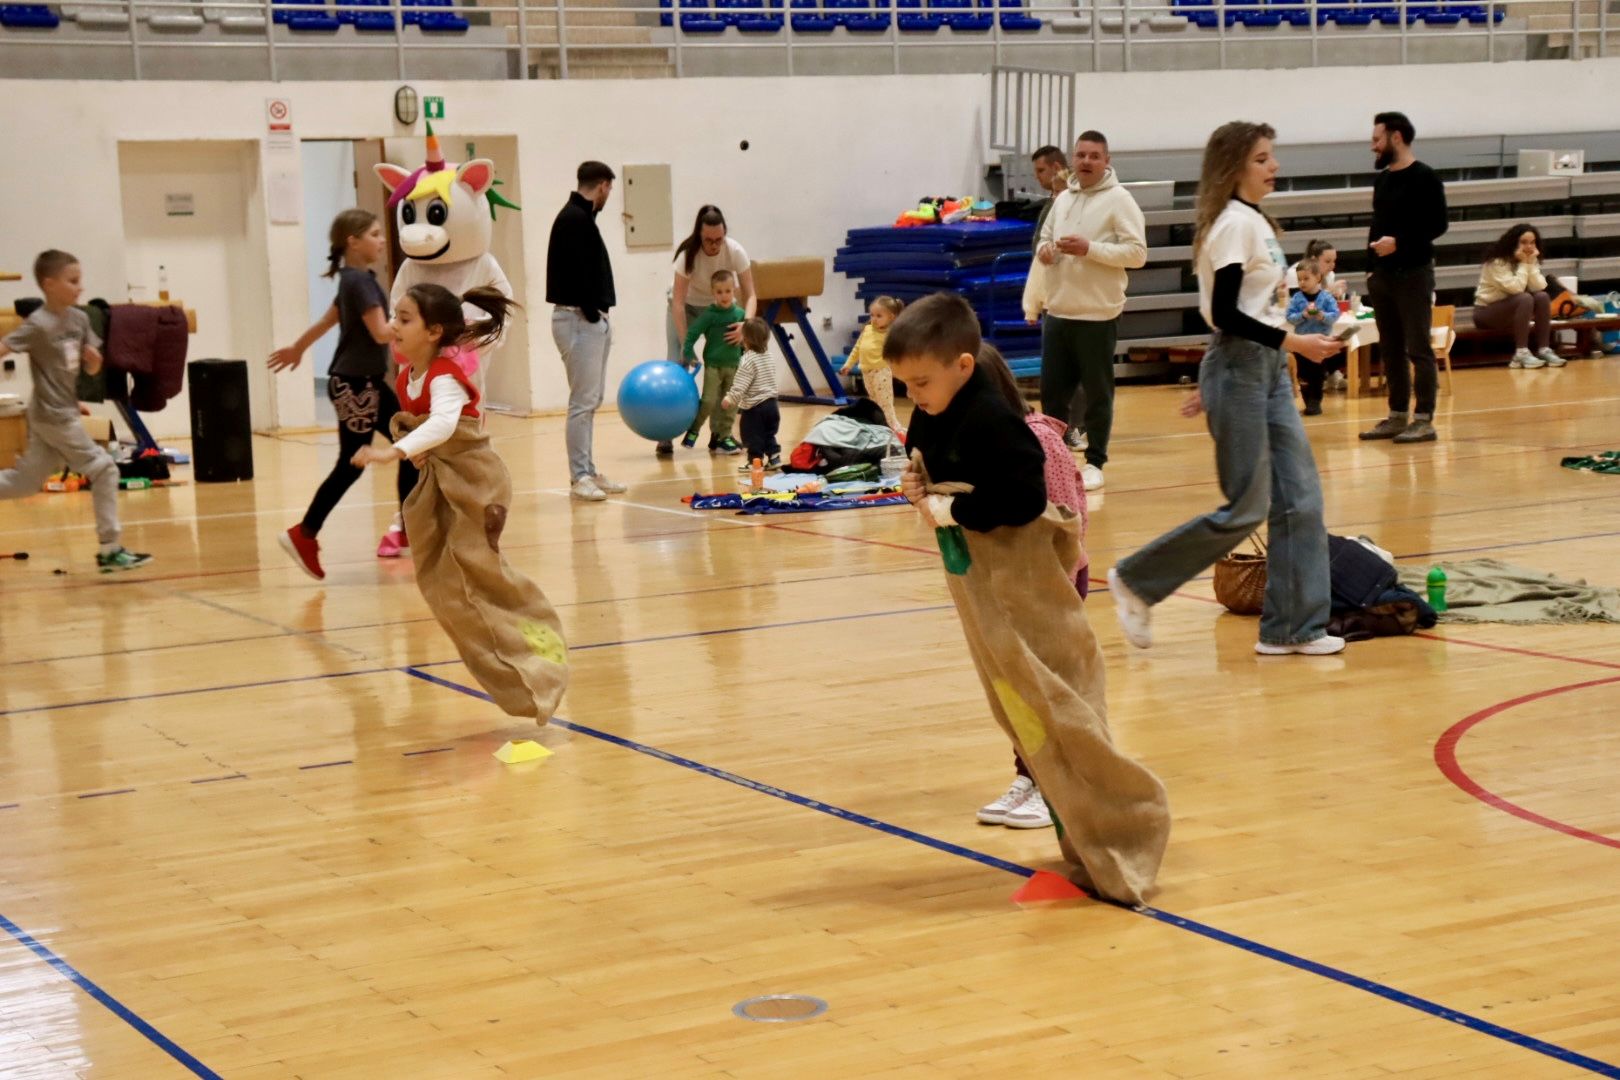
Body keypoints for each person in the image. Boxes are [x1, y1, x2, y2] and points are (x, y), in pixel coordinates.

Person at [891, 291, 1169, 906]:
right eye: (906, 384)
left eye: (921, 382)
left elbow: (1024, 502)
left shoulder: (998, 423)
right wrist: (918, 484)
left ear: (963, 367)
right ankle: (1081, 837)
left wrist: (952, 508)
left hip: (1026, 586)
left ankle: (1126, 826)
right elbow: (930, 462)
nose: (914, 395)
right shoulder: (933, 410)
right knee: (1018, 706)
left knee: (1059, 700)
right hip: (978, 584)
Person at [1107, 121, 1345, 658]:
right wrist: (1292, 345)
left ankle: (1293, 629)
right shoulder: (1233, 224)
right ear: (1234, 167)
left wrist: (1264, 358)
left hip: (1262, 371)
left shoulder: (1255, 221)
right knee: (1247, 507)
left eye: (1271, 156)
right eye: (1261, 159)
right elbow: (1227, 315)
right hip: (1242, 365)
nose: (1273, 166)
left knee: (1302, 500)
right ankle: (1137, 580)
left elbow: (1250, 311)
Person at [351, 283, 568, 722]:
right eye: (394, 316)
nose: (393, 325)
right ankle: (512, 674)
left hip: (478, 486)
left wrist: (395, 452)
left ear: (433, 332)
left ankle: (540, 650)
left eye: (404, 319)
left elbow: (445, 424)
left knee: (482, 581)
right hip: (443, 485)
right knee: (443, 585)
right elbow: (426, 429)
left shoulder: (445, 376)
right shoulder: (406, 376)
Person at [971, 343, 1091, 832]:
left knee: (1051, 686)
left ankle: (1059, 786)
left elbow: (1065, 519)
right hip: (1010, 582)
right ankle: (1031, 773)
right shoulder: (978, 442)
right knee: (1017, 688)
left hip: (1053, 580)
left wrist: (1058, 589)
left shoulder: (1039, 440)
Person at [271, 209, 420, 579]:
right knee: (356, 462)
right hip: (357, 386)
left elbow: (327, 321)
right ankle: (305, 533)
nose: (382, 240)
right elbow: (381, 333)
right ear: (353, 241)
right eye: (374, 234)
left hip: (360, 382)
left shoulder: (353, 279)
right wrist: (421, 324)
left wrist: (297, 348)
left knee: (410, 444)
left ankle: (408, 529)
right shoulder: (359, 283)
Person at [0, 250, 150, 572]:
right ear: (49, 285)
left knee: (25, 483)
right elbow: (4, 347)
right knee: (105, 469)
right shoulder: (38, 324)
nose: (80, 287)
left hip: (59, 411)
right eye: (72, 281)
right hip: (53, 415)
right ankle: (110, 550)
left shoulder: (80, 319)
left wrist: (94, 363)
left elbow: (89, 368)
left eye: (80, 280)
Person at [1023, 130, 1147, 492]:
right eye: (1081, 155)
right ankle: (1056, 461)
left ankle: (1095, 462)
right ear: (1072, 159)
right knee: (1052, 394)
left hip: (1097, 314)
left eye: (1094, 156)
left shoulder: (1120, 200)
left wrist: (1089, 248)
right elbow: (1045, 239)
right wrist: (1046, 251)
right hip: (1058, 310)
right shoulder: (1063, 199)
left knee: (1097, 393)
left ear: (1107, 161)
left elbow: (1137, 254)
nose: (1087, 161)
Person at [1361, 111, 1449, 445]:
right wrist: (1370, 268)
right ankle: (1397, 415)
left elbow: (1438, 224)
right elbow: (1377, 224)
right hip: (1382, 276)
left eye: (1377, 139)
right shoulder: (1382, 180)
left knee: (1418, 347)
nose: (1373, 146)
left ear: (1395, 137)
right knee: (1390, 348)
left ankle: (1424, 419)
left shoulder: (1425, 177)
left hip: (1414, 273)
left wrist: (1399, 242)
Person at [547, 160, 627, 502]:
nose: (609, 194)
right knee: (582, 402)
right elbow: (577, 275)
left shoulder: (581, 218)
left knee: (590, 400)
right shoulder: (574, 219)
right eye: (609, 188)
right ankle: (579, 475)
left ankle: (589, 470)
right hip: (578, 320)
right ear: (603, 186)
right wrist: (593, 314)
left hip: (588, 320)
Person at [660, 206, 759, 456]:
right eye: (708, 240)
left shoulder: (735, 251)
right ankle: (665, 435)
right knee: (677, 363)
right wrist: (686, 344)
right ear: (699, 235)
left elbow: (751, 295)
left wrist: (745, 325)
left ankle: (720, 435)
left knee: (727, 369)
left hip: (721, 308)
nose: (714, 245)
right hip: (687, 307)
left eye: (719, 239)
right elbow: (678, 303)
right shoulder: (687, 255)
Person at [1473, 223, 1564, 370]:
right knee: (1525, 298)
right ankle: (1520, 353)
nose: (1528, 247)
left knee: (1542, 297)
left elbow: (1540, 286)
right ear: (1513, 242)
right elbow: (1516, 289)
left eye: (1532, 242)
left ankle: (1544, 349)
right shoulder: (1497, 262)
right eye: (1523, 242)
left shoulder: (1528, 260)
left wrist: (1530, 263)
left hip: (1511, 312)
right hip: (1486, 313)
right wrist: (1524, 264)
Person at [680, 270, 747, 455]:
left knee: (730, 403)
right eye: (719, 292)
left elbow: (749, 336)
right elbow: (692, 334)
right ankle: (694, 430)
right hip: (713, 366)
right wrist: (689, 353)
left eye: (728, 291)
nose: (724, 296)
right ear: (712, 293)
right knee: (709, 401)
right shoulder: (709, 315)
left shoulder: (740, 314)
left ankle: (724, 436)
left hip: (733, 366)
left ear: (733, 290)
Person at [838, 296, 905, 435]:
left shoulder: (890, 334)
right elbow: (857, 348)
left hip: (881, 371)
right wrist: (848, 364)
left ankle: (893, 427)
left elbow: (898, 352)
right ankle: (879, 425)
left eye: (879, 316)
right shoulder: (867, 329)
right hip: (866, 372)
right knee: (874, 401)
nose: (874, 319)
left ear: (891, 317)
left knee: (885, 402)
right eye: (872, 315)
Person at [722, 318, 781, 472]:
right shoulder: (768, 356)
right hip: (772, 404)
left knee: (752, 435)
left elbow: (741, 384)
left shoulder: (747, 360)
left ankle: (755, 461)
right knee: (768, 433)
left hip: (755, 407)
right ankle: (774, 458)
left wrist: (730, 398)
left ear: (745, 339)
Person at [1286, 257, 1342, 417]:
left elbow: (1335, 315)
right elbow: (1290, 317)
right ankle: (1307, 401)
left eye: (1306, 278)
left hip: (1320, 343)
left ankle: (1315, 402)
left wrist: (1322, 316)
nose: (1302, 283)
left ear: (1318, 278)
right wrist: (1302, 315)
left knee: (1317, 374)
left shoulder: (1327, 298)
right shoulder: (1297, 298)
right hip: (1301, 343)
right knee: (1303, 374)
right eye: (1299, 279)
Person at [1028, 144, 1070, 243]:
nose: (1036, 176)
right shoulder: (1052, 199)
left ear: (1056, 168)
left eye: (1041, 170)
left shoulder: (1071, 200)